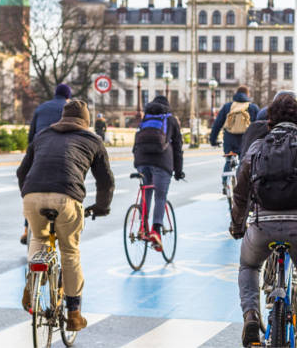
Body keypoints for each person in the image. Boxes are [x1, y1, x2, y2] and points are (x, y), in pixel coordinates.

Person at [230, 93, 297, 348]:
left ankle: (251, 315)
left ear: (270, 120)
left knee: (248, 267)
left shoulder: (258, 147)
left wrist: (237, 226)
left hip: (262, 226)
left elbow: (240, 191)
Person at [17, 100, 114, 331]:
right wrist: (101, 206)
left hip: (32, 196)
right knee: (69, 251)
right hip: (67, 199)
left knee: (39, 239)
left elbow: (22, 171)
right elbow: (106, 180)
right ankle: (74, 314)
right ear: (86, 121)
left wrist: (30, 194)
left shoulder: (42, 135)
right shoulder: (93, 140)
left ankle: (32, 286)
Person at [22, 83, 72, 244]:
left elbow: (31, 136)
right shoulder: (69, 109)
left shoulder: (41, 108)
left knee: (31, 189)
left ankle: (26, 229)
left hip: (38, 151)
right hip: (61, 154)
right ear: (68, 96)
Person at [133, 96, 184, 251]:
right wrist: (178, 171)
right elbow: (178, 148)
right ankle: (156, 230)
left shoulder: (145, 119)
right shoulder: (170, 120)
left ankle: (142, 227)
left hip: (142, 161)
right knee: (160, 196)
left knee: (146, 193)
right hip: (162, 163)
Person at [210, 85, 260, 186]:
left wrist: (213, 140)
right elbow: (258, 126)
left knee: (229, 160)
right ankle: (243, 185)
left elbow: (217, 124)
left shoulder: (227, 107)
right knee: (245, 163)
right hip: (246, 140)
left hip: (229, 139)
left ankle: (225, 182)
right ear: (247, 95)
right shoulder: (253, 107)